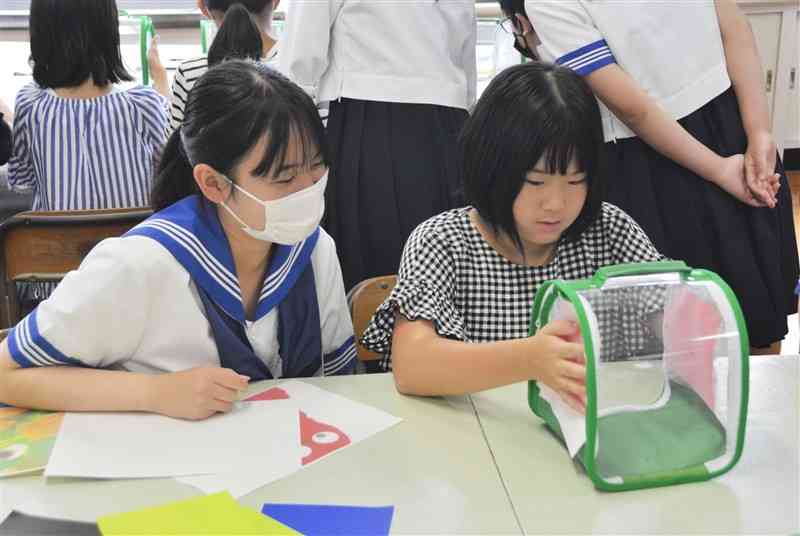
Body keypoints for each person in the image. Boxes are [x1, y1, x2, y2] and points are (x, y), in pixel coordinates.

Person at [0, 60, 356, 421]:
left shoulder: (314, 251)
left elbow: (339, 381)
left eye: (317, 166)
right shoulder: (139, 266)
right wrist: (154, 392)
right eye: (284, 178)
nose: (309, 190)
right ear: (214, 183)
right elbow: (6, 374)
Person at [503, 0, 799, 353]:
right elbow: (737, 32)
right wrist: (759, 132)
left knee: (668, 338)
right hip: (732, 131)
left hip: (653, 161)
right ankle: (755, 405)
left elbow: (634, 110)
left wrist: (721, 168)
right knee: (754, 309)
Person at [361, 63, 664, 408]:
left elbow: (674, 317)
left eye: (575, 181)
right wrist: (532, 359)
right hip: (473, 440)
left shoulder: (609, 230)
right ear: (492, 167)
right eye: (535, 181)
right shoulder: (442, 241)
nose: (555, 204)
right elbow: (413, 366)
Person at [280, 0, 477, 291]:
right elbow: (463, 33)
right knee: (442, 271)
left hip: (366, 110)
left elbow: (304, 42)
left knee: (370, 279)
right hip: (448, 118)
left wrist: (291, 114)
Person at [168, 0, 281, 135]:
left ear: (203, 7)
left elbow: (174, 149)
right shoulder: (299, 69)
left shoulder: (189, 73)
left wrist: (160, 81)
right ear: (276, 2)